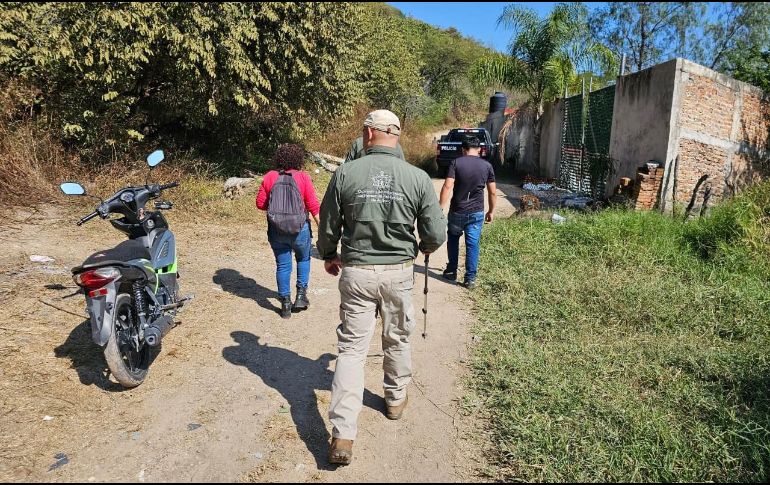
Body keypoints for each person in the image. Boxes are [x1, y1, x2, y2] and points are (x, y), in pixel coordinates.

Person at [317, 109, 446, 465]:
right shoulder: (418, 178)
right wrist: (426, 247)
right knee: (398, 337)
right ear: (396, 135)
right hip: (399, 274)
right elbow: (435, 232)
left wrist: (329, 254)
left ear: (369, 134)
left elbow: (329, 223)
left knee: (352, 351)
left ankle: (342, 434)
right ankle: (393, 400)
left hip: (356, 272)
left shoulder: (345, 173)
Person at [256, 143, 321, 319]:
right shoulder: (303, 177)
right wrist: (323, 230)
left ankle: (285, 303)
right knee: (303, 258)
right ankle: (301, 296)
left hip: (277, 230)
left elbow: (260, 204)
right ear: (298, 159)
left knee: (283, 265)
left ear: (279, 158)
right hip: (300, 229)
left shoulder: (270, 176)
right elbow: (313, 205)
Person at [438, 134, 496, 289]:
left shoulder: (456, 163)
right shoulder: (487, 166)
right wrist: (491, 211)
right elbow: (492, 192)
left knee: (453, 238)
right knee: (472, 244)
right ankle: (470, 279)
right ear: (479, 149)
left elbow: (447, 186)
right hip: (476, 212)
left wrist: (440, 208)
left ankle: (451, 271)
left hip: (457, 210)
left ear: (463, 149)